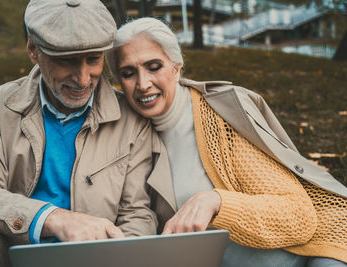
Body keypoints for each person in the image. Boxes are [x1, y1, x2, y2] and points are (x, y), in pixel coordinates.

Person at [106, 17, 347, 266]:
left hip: (307, 257)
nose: (143, 84)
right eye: (128, 73)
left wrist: (216, 201)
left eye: (154, 66)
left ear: (176, 67)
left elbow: (298, 217)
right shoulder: (126, 134)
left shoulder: (218, 121)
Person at [0, 2, 165, 267]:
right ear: (33, 50)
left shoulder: (132, 120)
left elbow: (137, 216)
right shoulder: (1, 103)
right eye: (66, 61)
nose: (84, 79)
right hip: (11, 251)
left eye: (94, 59)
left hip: (94, 260)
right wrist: (52, 218)